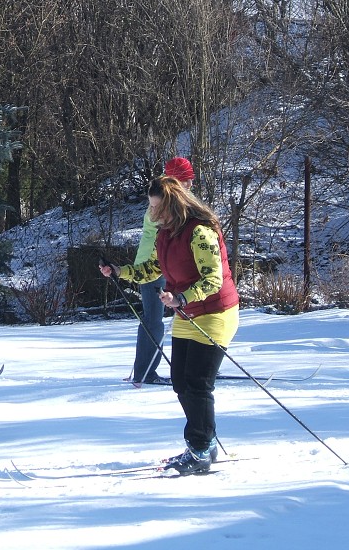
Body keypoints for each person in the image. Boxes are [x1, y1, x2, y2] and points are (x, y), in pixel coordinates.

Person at [150, 175, 240, 475]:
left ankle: (199, 448)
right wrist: (119, 270)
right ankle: (206, 441)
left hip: (216, 312)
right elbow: (154, 267)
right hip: (188, 313)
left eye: (157, 208)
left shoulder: (200, 232)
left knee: (198, 383)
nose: (153, 215)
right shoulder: (167, 233)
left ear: (173, 205)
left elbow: (213, 280)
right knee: (180, 382)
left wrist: (181, 298)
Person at [98, 157, 196, 385]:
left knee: (188, 311)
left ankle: (200, 364)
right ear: (174, 181)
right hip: (151, 267)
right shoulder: (161, 204)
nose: (190, 184)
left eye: (190, 180)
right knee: (153, 320)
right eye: (186, 180)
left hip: (166, 265)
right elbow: (160, 244)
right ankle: (145, 372)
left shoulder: (176, 201)